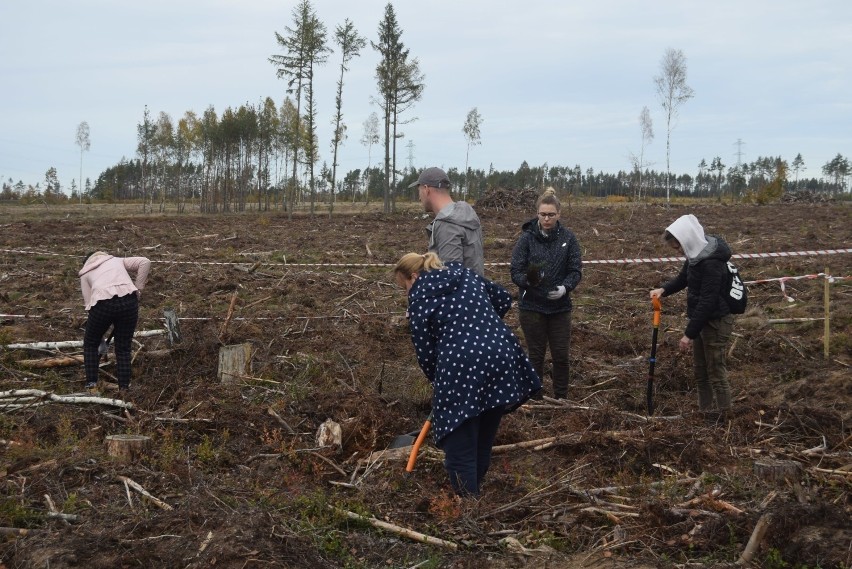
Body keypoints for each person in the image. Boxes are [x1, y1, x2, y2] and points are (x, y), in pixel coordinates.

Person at [395, 252, 541, 497]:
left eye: (405, 286)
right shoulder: (462, 273)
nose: (407, 293)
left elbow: (426, 354)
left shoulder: (419, 296)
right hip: (501, 356)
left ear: (414, 276)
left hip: (461, 365)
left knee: (459, 450)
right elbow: (503, 298)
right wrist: (480, 323)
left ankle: (468, 513)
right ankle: (475, 500)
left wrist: (442, 384)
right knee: (482, 441)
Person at [649, 214, 734, 420]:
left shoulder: (711, 262)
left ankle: (726, 420)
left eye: (678, 247)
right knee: (700, 372)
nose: (679, 252)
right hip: (702, 321)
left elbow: (708, 302)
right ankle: (705, 414)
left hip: (715, 322)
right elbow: (683, 279)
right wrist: (663, 289)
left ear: (687, 239)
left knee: (716, 373)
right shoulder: (695, 255)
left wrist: (688, 334)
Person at [510, 189, 582, 399]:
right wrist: (528, 281)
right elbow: (515, 270)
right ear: (537, 214)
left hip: (560, 309)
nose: (547, 218)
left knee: (561, 356)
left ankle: (561, 397)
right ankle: (535, 397)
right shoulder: (526, 239)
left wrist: (565, 288)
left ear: (559, 214)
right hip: (532, 308)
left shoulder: (569, 238)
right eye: (543, 214)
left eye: (551, 214)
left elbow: (575, 269)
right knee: (536, 355)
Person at [79, 251, 151, 392]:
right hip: (129, 301)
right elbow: (145, 262)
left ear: (87, 263)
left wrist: (99, 340)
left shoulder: (85, 274)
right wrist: (138, 289)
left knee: (90, 344)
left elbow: (89, 305)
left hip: (102, 304)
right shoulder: (116, 261)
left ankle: (92, 386)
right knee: (123, 348)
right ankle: (124, 389)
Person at [408, 167, 485, 276]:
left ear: (426, 189)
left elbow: (451, 275)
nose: (419, 198)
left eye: (419, 191)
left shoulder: (448, 224)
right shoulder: (467, 216)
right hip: (475, 289)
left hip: (460, 293)